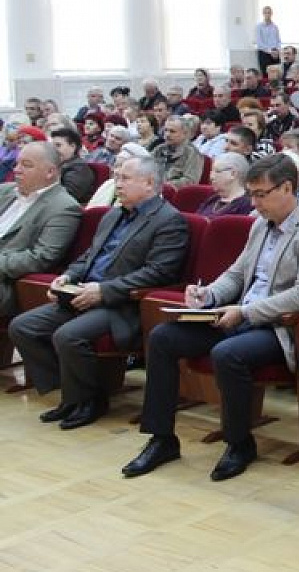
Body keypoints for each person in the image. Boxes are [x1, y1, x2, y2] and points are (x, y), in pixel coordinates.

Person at [123, 154, 299, 480]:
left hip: (277, 327)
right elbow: (236, 275)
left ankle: (239, 443)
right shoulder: (260, 224)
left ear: (288, 188)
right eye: (252, 194)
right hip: (236, 315)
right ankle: (161, 438)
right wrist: (207, 294)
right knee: (163, 338)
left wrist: (244, 312)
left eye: (262, 194)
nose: (254, 202)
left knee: (227, 353)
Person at [13, 157, 188, 430]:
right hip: (83, 293)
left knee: (68, 335)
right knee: (23, 326)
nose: (117, 183)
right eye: (116, 177)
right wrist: (68, 276)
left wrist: (103, 291)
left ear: (149, 183)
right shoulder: (114, 213)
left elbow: (158, 273)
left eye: (125, 178)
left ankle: (90, 401)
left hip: (121, 304)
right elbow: (89, 256)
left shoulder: (169, 220)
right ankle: (71, 394)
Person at [0, 142, 83, 316]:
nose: (17, 170)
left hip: (7, 283)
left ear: (50, 172)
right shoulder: (4, 191)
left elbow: (41, 258)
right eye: (17, 164)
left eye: (26, 165)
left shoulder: (64, 207)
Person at [47, 127, 95, 204]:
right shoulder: (57, 164)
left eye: (58, 145)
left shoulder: (79, 169)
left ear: (73, 147)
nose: (53, 150)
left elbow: (67, 196)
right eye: (52, 146)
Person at [196, 153, 254, 217]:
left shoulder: (246, 205)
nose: (211, 177)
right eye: (211, 172)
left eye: (217, 171)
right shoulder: (213, 198)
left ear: (233, 174)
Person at [154, 116, 205, 188]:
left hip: (174, 194)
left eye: (172, 131)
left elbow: (190, 181)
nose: (167, 134)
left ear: (185, 134)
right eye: (165, 130)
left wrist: (164, 185)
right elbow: (147, 168)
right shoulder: (159, 149)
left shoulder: (192, 153)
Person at [254, 6, 281, 73]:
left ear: (271, 14)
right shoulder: (259, 26)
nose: (267, 14)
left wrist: (277, 50)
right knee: (265, 74)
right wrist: (270, 51)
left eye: (269, 13)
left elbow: (278, 41)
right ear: (263, 14)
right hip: (264, 53)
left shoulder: (275, 27)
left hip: (275, 53)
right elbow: (259, 43)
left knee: (276, 74)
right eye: (265, 13)